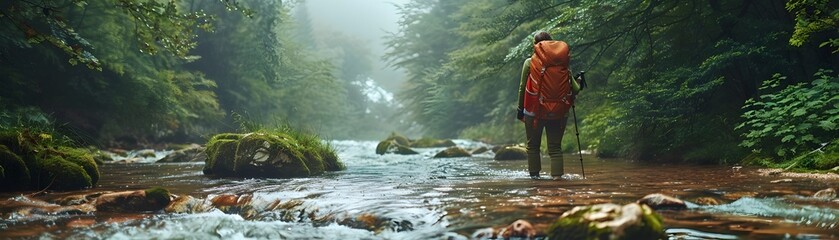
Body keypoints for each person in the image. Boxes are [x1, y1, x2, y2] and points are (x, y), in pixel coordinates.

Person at [516, 31, 581, 179]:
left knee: (533, 147)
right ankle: (557, 180)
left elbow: (522, 87)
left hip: (534, 112)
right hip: (559, 112)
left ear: (536, 45)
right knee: (555, 148)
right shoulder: (562, 64)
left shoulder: (529, 62)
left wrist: (520, 109)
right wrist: (577, 81)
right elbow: (575, 90)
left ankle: (535, 179)